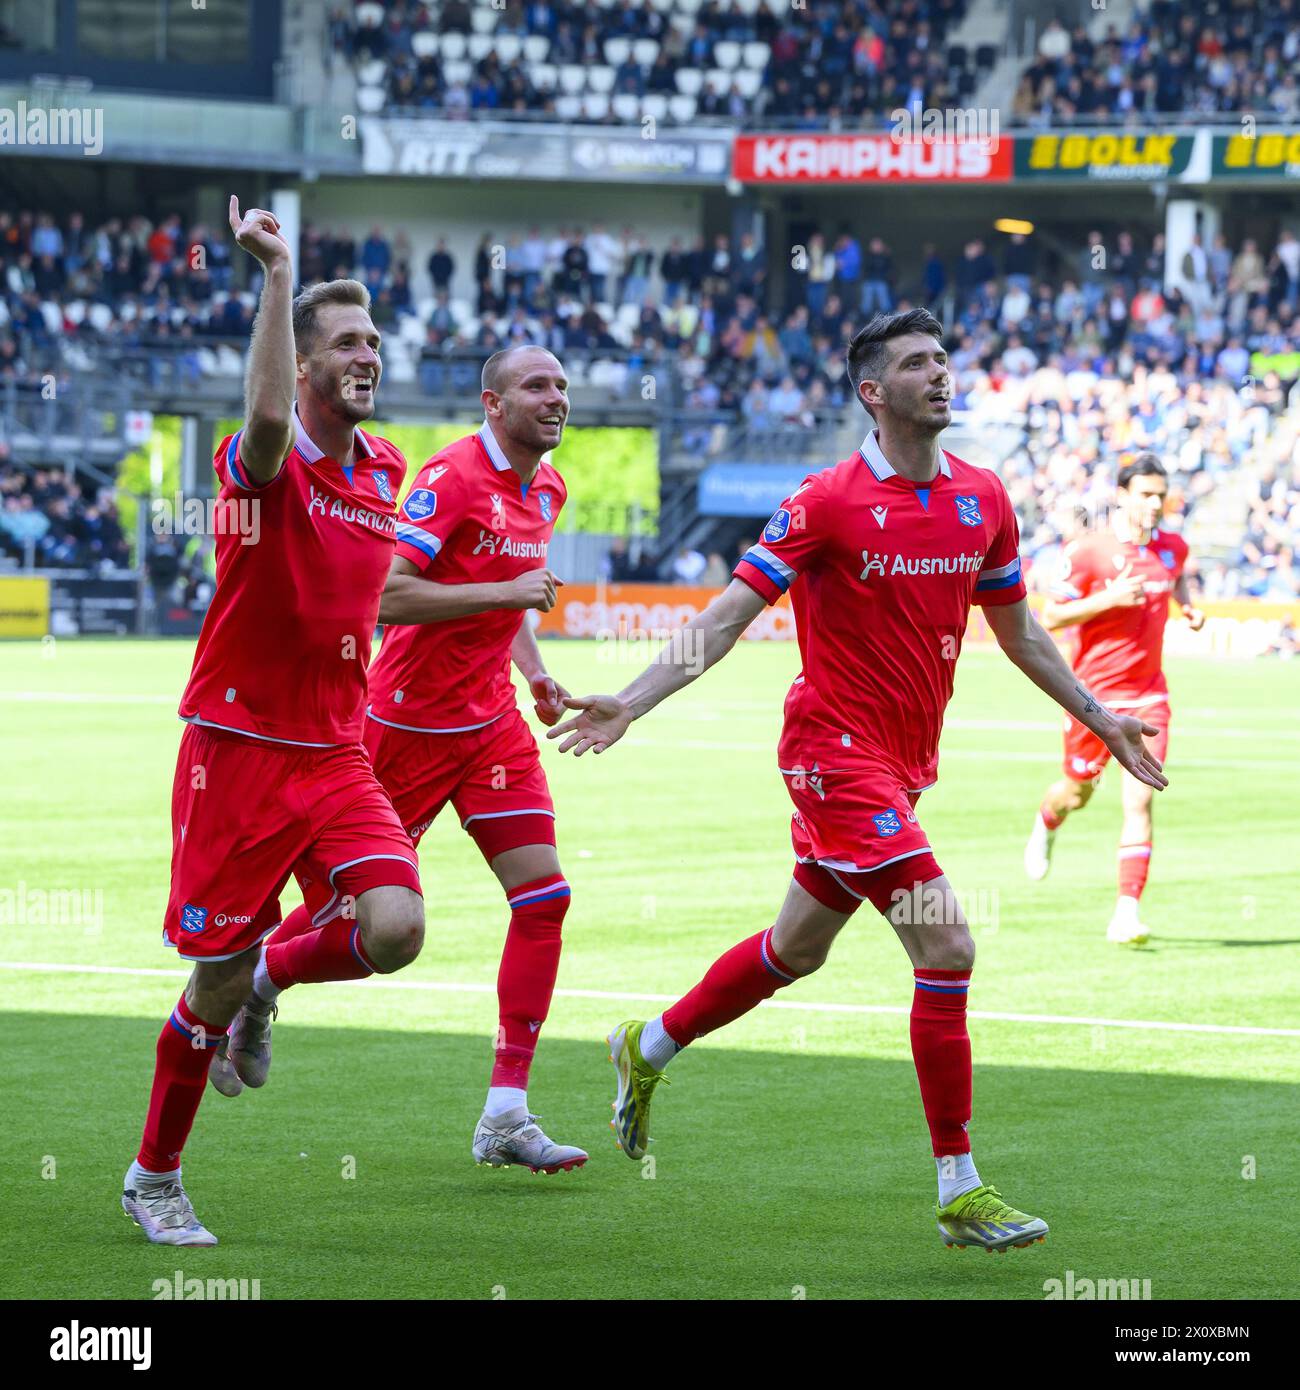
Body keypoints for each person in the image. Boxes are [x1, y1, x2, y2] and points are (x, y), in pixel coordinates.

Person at [548, 309, 1166, 1252]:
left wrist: (1100, 716)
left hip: (901, 767)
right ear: (873, 393)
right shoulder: (826, 499)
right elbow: (722, 618)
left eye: (945, 359)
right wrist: (631, 699)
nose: (941, 374)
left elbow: (1022, 632)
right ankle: (959, 1186)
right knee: (948, 944)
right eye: (918, 363)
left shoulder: (983, 497)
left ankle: (649, 1044)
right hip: (832, 755)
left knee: (798, 950)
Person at [122, 199, 425, 1247]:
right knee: (206, 979)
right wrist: (272, 275)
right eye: (345, 340)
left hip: (337, 750)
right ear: (300, 365)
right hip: (240, 752)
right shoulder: (262, 466)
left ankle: (265, 981)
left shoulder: (385, 472)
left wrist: (506, 610)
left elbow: (377, 599)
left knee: (396, 928)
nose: (366, 353)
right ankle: (154, 1176)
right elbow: (257, 426)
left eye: (374, 339)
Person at [261, 345, 586, 1174]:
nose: (556, 398)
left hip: (491, 729)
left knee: (545, 897)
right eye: (536, 386)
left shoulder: (544, 486)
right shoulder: (451, 478)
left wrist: (538, 673)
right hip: (404, 726)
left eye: (560, 385)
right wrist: (506, 594)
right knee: (352, 917)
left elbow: (510, 595)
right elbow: (386, 595)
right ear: (492, 403)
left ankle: (505, 1114)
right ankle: (256, 982)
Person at [1024, 454, 1203, 945]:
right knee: (1075, 793)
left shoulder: (1173, 547)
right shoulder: (1089, 552)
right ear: (1122, 495)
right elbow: (1050, 618)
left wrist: (1187, 607)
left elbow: (1179, 570)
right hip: (1090, 699)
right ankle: (1047, 821)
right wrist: (1108, 599)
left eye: (1159, 494)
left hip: (1149, 697)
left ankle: (1126, 912)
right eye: (1144, 493)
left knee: (1140, 800)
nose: (1154, 503)